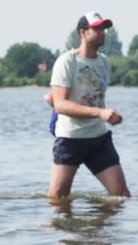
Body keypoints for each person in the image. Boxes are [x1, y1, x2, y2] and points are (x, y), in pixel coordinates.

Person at [47, 11, 130, 200]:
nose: (102, 32)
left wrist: (109, 116)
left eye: (104, 29)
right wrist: (100, 113)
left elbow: (95, 97)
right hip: (70, 139)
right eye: (97, 28)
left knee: (121, 197)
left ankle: (103, 230)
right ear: (82, 32)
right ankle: (63, 230)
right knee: (57, 199)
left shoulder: (105, 62)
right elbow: (60, 104)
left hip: (98, 139)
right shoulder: (67, 61)